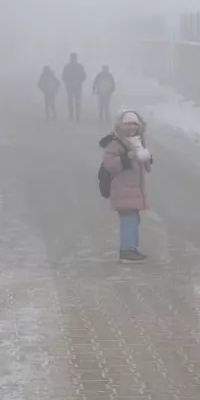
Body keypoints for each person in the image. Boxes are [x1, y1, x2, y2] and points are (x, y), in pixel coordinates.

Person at [100, 109, 153, 262]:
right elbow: (110, 164)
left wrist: (147, 158)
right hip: (122, 188)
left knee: (134, 219)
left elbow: (145, 163)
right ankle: (127, 251)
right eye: (128, 124)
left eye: (134, 124)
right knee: (129, 218)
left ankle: (132, 248)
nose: (131, 127)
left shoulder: (139, 140)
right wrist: (127, 158)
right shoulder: (115, 142)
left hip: (135, 188)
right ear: (121, 125)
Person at [61, 53, 87, 122]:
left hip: (73, 86)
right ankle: (75, 116)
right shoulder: (78, 66)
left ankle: (74, 116)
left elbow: (63, 76)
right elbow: (84, 76)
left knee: (74, 102)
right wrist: (79, 81)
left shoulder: (68, 67)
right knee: (74, 102)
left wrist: (69, 81)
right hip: (75, 86)